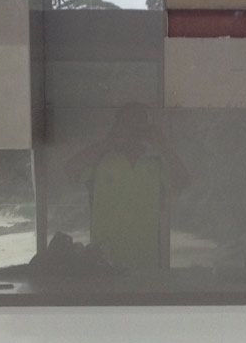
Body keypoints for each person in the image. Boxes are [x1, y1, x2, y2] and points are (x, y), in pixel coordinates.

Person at [64, 104, 190, 273]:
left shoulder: (156, 163)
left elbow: (183, 181)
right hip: (104, 264)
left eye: (138, 126)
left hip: (147, 265)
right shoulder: (101, 161)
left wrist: (163, 146)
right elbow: (70, 169)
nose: (132, 132)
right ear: (116, 127)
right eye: (126, 125)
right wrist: (108, 142)